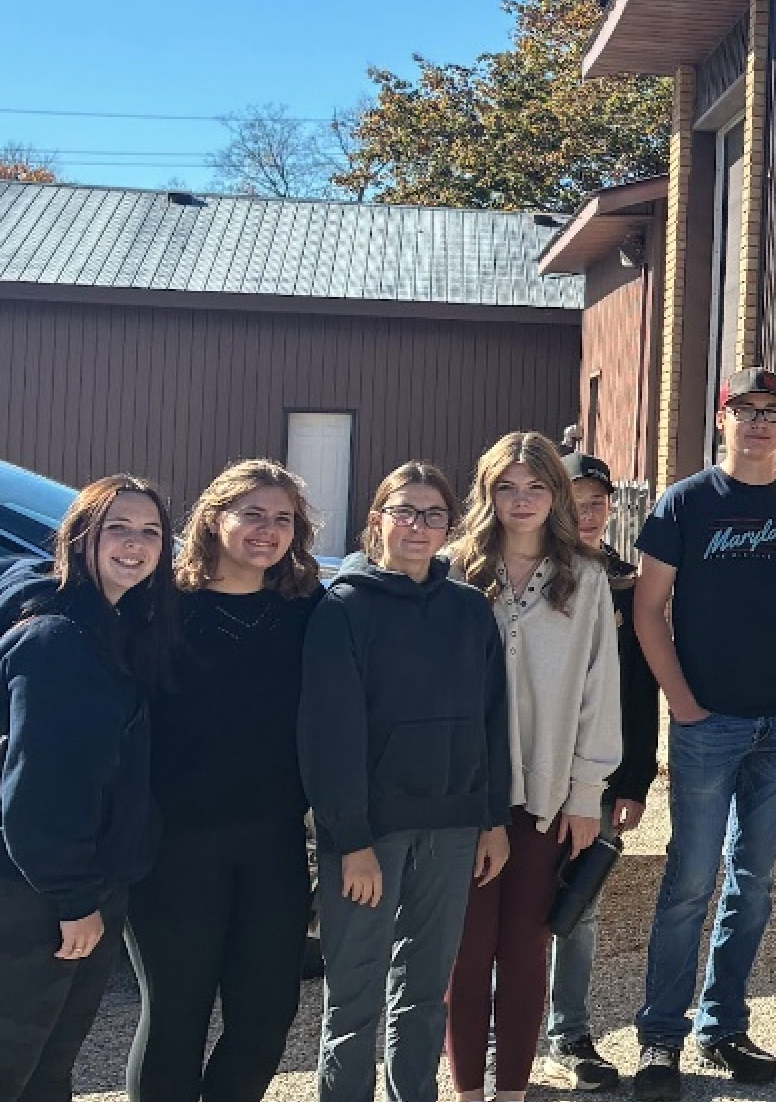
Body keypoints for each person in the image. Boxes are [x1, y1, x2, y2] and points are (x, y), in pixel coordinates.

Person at [629, 367, 776, 1100]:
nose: (757, 421)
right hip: (707, 725)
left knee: (752, 884)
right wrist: (683, 706)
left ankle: (723, 1026)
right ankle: (660, 1038)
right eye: (743, 409)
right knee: (689, 880)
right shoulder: (685, 504)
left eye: (770, 410)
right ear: (722, 420)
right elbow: (648, 610)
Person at [0, 476, 174, 1102]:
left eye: (150, 532)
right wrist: (74, 900)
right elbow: (42, 788)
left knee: (48, 1074)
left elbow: (26, 748)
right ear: (82, 538)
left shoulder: (115, 626)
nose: (135, 544)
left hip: (80, 878)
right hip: (32, 890)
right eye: (117, 529)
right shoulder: (58, 639)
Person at [301, 462, 514, 1102]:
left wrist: (494, 819)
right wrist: (352, 839)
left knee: (424, 988)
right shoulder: (342, 609)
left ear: (450, 526)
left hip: (452, 828)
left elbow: (492, 721)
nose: (418, 526)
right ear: (377, 520)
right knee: (355, 992)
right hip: (371, 836)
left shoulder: (470, 610)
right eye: (404, 511)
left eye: (433, 515)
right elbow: (328, 738)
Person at [132, 461, 324, 1102]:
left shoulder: (308, 611)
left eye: (282, 519)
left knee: (268, 1017)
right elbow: (74, 683)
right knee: (176, 1022)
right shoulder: (159, 608)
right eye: (253, 514)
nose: (267, 531)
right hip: (175, 846)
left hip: (272, 845)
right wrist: (6, 750)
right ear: (214, 519)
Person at [447, 434, 622, 1102]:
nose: (521, 503)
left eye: (535, 488)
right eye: (506, 488)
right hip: (463, 795)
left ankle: (513, 1091)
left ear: (556, 495)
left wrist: (586, 791)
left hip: (546, 795)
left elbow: (597, 694)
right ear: (487, 494)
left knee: (525, 948)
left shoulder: (587, 578)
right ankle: (467, 1091)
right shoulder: (456, 572)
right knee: (465, 952)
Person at [542, 452, 664, 1091]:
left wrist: (636, 782)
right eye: (575, 498)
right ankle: (498, 1036)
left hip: (599, 777)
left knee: (578, 908)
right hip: (527, 775)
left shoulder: (626, 583)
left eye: (598, 501)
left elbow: (641, 692)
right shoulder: (528, 576)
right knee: (507, 909)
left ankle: (570, 1033)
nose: (588, 512)